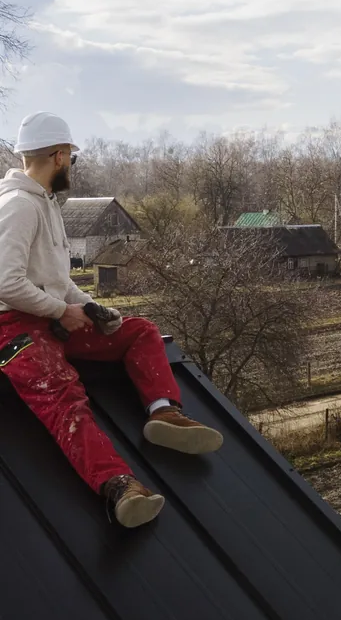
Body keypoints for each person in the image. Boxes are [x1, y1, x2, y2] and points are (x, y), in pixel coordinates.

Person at [0, 112, 223, 528]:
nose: (72, 166)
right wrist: (61, 311)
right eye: (72, 158)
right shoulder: (18, 206)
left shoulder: (43, 203)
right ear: (60, 155)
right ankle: (120, 487)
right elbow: (6, 284)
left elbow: (56, 281)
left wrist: (90, 308)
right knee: (65, 400)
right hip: (15, 331)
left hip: (50, 319)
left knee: (138, 331)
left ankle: (163, 413)